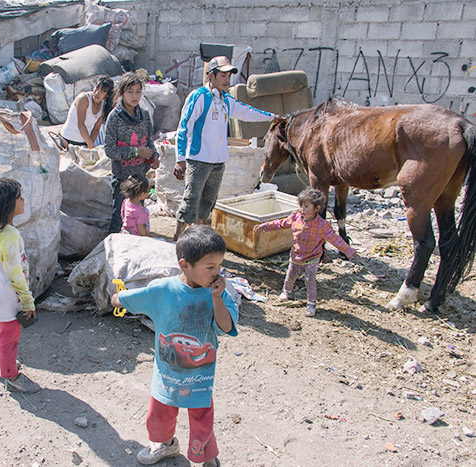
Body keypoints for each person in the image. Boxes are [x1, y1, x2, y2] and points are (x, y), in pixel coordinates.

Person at [111, 225, 237, 466]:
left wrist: (216, 299)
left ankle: (208, 456)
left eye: (219, 265)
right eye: (210, 267)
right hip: (167, 375)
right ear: (184, 265)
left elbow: (226, 326)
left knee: (202, 419)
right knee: (159, 414)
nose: (217, 273)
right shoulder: (164, 290)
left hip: (200, 377)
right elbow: (136, 297)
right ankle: (166, 445)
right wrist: (118, 298)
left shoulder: (218, 293)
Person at [173, 56, 276, 240]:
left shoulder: (226, 100)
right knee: (190, 201)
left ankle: (197, 240)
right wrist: (180, 159)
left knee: (207, 204)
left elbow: (247, 112)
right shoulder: (199, 96)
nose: (227, 79)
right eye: (223, 75)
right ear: (211, 76)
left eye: (229, 76)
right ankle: (177, 240)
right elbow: (184, 127)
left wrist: (273, 117)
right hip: (198, 159)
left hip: (218, 161)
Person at [0, 178, 40, 394]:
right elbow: (15, 274)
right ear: (8, 205)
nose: (23, 200)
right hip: (8, 295)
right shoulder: (11, 236)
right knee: (9, 335)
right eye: (19, 198)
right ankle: (11, 375)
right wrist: (27, 300)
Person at [253, 187, 357, 317]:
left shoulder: (322, 225)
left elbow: (335, 239)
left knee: (310, 280)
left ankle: (311, 303)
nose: (302, 209)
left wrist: (348, 251)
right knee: (291, 275)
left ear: (317, 208)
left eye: (306, 206)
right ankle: (286, 291)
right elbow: (280, 223)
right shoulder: (295, 217)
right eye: (301, 206)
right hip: (296, 255)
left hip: (312, 257)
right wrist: (265, 226)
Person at [104, 72, 160, 233]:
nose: (135, 96)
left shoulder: (145, 115)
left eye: (138, 91)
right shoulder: (115, 117)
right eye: (130, 92)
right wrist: (136, 152)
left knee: (139, 220)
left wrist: (154, 156)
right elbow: (110, 150)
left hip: (140, 178)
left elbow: (148, 141)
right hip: (123, 180)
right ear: (121, 93)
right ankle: (113, 246)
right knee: (120, 219)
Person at [59, 76, 114, 148]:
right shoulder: (84, 98)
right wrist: (91, 146)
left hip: (84, 141)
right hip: (68, 139)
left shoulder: (104, 106)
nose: (97, 93)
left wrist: (89, 145)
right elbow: (81, 124)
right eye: (97, 88)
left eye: (102, 91)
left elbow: (96, 129)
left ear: (107, 95)